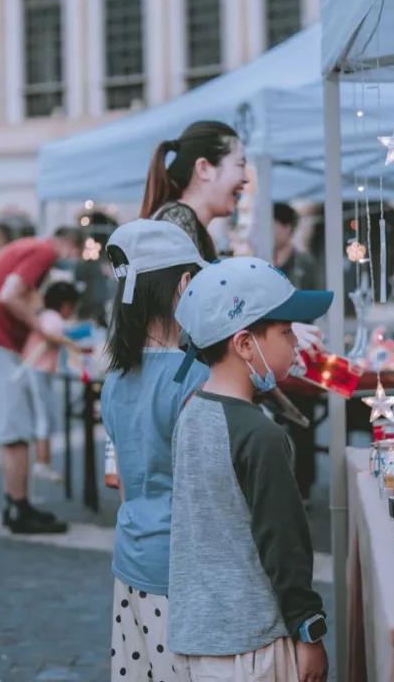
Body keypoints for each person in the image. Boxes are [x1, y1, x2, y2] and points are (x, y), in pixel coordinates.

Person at [169, 256, 332, 682]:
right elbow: (284, 544)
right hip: (252, 645)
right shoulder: (261, 436)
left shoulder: (190, 412)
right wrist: (309, 631)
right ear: (244, 344)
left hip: (196, 639)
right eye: (286, 332)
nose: (296, 343)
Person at [100, 219, 208, 681]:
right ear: (184, 284)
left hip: (131, 556)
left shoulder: (115, 378)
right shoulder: (194, 379)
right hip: (184, 570)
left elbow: (125, 478)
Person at [0, 225, 88, 534]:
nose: (72, 260)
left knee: (14, 425)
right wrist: (41, 327)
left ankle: (17, 504)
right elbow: (9, 295)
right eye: (76, 254)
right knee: (16, 427)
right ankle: (18, 508)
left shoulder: (26, 246)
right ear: (70, 245)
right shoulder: (44, 251)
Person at [271, 202, 325, 501]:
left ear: (287, 229)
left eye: (273, 225)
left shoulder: (304, 263)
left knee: (303, 423)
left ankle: (303, 486)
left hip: (298, 352)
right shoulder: (260, 262)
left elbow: (310, 308)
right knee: (271, 422)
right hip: (266, 354)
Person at [140, 121, 247, 262]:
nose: (246, 178)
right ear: (204, 169)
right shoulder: (177, 223)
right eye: (240, 165)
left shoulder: (182, 224)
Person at [19, 280, 81, 483]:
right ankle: (42, 463)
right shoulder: (54, 319)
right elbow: (52, 337)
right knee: (43, 415)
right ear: (66, 306)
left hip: (36, 369)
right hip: (37, 369)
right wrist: (71, 344)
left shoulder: (46, 316)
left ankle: (42, 462)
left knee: (42, 415)